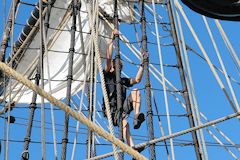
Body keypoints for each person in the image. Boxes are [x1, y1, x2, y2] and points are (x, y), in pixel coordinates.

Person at [102, 29, 145, 152]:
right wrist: (112, 39)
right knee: (124, 123)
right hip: (111, 110)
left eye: (120, 67)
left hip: (122, 107)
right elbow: (109, 58)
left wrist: (142, 64)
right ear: (112, 68)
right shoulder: (108, 76)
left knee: (136, 90)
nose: (119, 68)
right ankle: (132, 148)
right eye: (117, 66)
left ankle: (137, 116)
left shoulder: (123, 81)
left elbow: (137, 79)